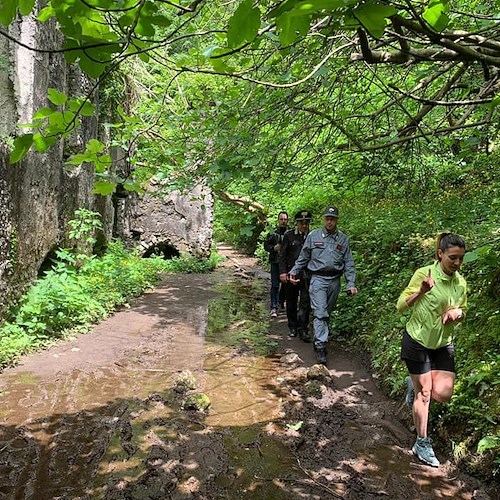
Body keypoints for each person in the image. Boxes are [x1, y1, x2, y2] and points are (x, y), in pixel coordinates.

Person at [397, 232, 467, 468]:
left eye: (460, 259)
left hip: (443, 344)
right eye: (452, 258)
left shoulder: (460, 282)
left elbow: (462, 310)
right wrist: (422, 292)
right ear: (440, 254)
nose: (457, 263)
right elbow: (400, 306)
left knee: (444, 394)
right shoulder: (423, 275)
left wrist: (457, 313)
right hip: (417, 341)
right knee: (424, 393)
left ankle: (412, 385)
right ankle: (422, 442)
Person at [289, 205, 357, 364]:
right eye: (327, 219)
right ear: (323, 219)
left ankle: (319, 337)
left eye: (332, 219)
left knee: (327, 312)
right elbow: (303, 257)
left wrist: (350, 283)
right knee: (320, 312)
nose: (330, 222)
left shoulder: (343, 239)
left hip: (334, 281)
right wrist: (294, 271)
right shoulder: (313, 236)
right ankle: (321, 347)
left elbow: (349, 263)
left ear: (337, 220)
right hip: (317, 279)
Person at [279, 210, 313, 342]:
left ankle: (303, 329)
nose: (304, 225)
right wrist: (283, 272)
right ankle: (292, 326)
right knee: (291, 301)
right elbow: (282, 255)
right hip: (291, 274)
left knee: (305, 302)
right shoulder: (289, 235)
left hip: (307, 275)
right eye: (301, 223)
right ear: (297, 223)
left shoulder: (313, 235)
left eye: (306, 223)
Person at [264, 211, 289, 317]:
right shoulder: (272, 233)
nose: (283, 221)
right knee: (275, 285)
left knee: (285, 284)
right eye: (281, 219)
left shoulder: (291, 232)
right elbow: (266, 246)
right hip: (275, 262)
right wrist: (274, 248)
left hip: (287, 263)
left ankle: (281, 303)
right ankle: (273, 307)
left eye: (285, 219)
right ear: (278, 220)